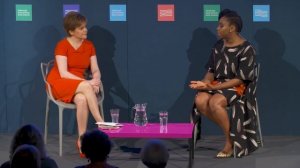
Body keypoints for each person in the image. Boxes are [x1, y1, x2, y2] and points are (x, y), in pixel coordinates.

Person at [189, 9, 259, 158]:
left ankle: (228, 142)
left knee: (215, 102)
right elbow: (211, 71)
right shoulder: (218, 46)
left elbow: (240, 79)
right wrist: (203, 83)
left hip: (238, 87)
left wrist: (213, 87)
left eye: (221, 26)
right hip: (217, 83)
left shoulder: (247, 49)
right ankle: (233, 137)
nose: (217, 28)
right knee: (200, 100)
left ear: (232, 28)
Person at [46, 11, 104, 157]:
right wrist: (89, 83)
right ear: (71, 31)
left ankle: (82, 139)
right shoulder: (62, 45)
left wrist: (96, 80)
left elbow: (95, 69)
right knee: (85, 87)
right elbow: (64, 73)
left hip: (79, 83)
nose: (85, 30)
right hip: (60, 81)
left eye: (85, 27)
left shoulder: (90, 45)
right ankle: (101, 123)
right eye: (81, 28)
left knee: (82, 99)